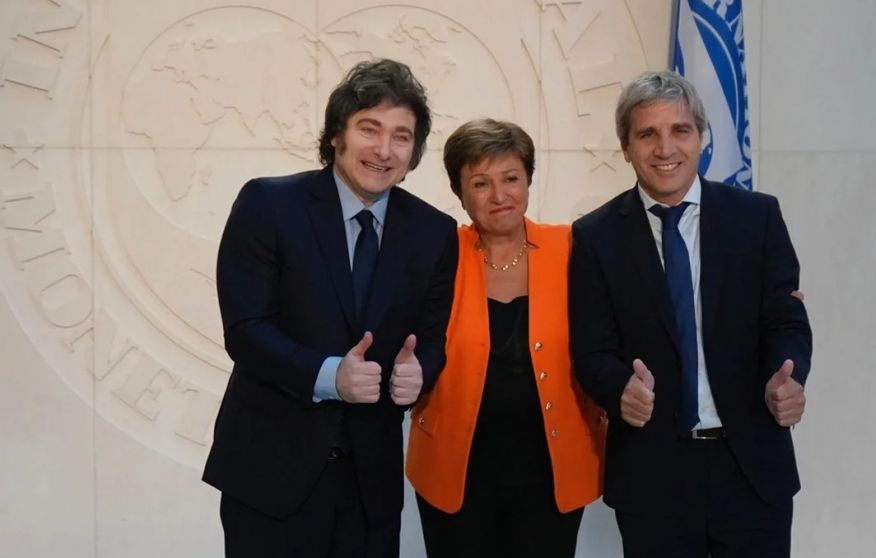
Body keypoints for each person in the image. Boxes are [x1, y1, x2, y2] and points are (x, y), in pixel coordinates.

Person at [202, 58, 458, 558]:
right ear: (337, 134)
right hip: (271, 476)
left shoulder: (434, 231)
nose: (383, 150)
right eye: (369, 128)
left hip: (369, 489)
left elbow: (430, 339)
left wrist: (421, 372)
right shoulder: (268, 204)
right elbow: (246, 330)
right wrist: (329, 376)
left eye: (401, 136)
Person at [568, 70, 813, 557]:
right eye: (647, 134)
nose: (665, 148)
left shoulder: (756, 217)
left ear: (701, 136)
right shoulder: (596, 236)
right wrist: (620, 389)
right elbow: (592, 350)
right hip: (653, 475)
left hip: (750, 468)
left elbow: (785, 321)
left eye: (679, 130)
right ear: (625, 147)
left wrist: (787, 378)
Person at [406, 119, 606, 558]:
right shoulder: (438, 252)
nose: (499, 196)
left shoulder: (573, 247)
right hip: (453, 468)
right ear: (459, 193)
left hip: (552, 467)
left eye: (511, 178)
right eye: (481, 183)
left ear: (528, 180)